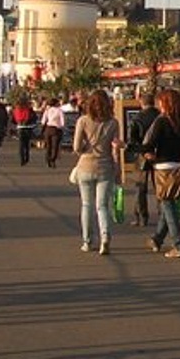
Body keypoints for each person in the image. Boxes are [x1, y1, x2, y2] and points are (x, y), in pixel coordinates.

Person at [142, 88, 180, 259]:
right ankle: (157, 239)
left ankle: (178, 244)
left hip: (162, 167)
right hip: (178, 167)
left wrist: (141, 151)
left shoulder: (162, 121)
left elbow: (151, 143)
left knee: (167, 205)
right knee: (167, 204)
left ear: (165, 103)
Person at [72, 89, 121, 255]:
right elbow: (115, 149)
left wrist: (85, 149)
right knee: (102, 206)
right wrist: (118, 168)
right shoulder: (113, 123)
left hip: (86, 166)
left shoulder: (83, 121)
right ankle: (105, 236)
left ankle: (87, 241)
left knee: (86, 204)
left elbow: (76, 147)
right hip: (105, 167)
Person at [126, 93, 161, 227]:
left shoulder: (137, 118)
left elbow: (132, 140)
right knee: (159, 186)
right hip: (159, 154)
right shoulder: (160, 116)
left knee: (141, 187)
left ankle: (142, 216)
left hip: (142, 155)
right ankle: (162, 214)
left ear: (141, 103)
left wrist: (140, 152)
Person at [11, 97, 36, 165]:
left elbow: (13, 119)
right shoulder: (28, 109)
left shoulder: (16, 110)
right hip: (28, 127)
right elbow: (32, 117)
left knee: (21, 144)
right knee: (27, 144)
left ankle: (22, 159)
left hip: (20, 127)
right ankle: (27, 157)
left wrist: (17, 123)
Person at [41, 98, 65, 167]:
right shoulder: (59, 111)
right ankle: (53, 159)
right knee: (55, 146)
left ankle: (47, 159)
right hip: (56, 129)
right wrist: (60, 127)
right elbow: (62, 122)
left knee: (48, 145)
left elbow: (43, 121)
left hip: (48, 128)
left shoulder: (47, 110)